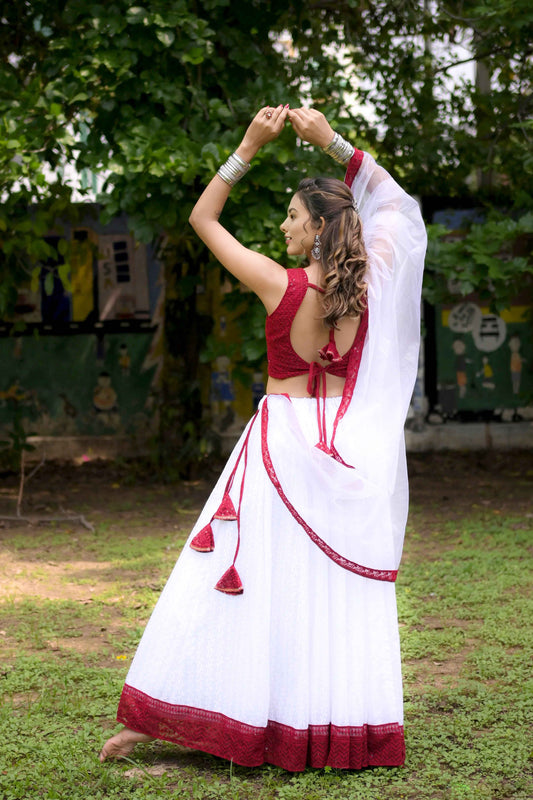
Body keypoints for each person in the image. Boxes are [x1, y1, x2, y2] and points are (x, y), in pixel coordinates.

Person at [99, 105, 427, 771]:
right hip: (345, 450)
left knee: (230, 580)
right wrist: (331, 141)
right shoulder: (374, 286)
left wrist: (248, 146)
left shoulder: (276, 283)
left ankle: (168, 715)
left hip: (280, 442)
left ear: (313, 232)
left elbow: (202, 220)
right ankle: (333, 732)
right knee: (327, 593)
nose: (283, 226)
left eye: (290, 217)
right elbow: (398, 204)